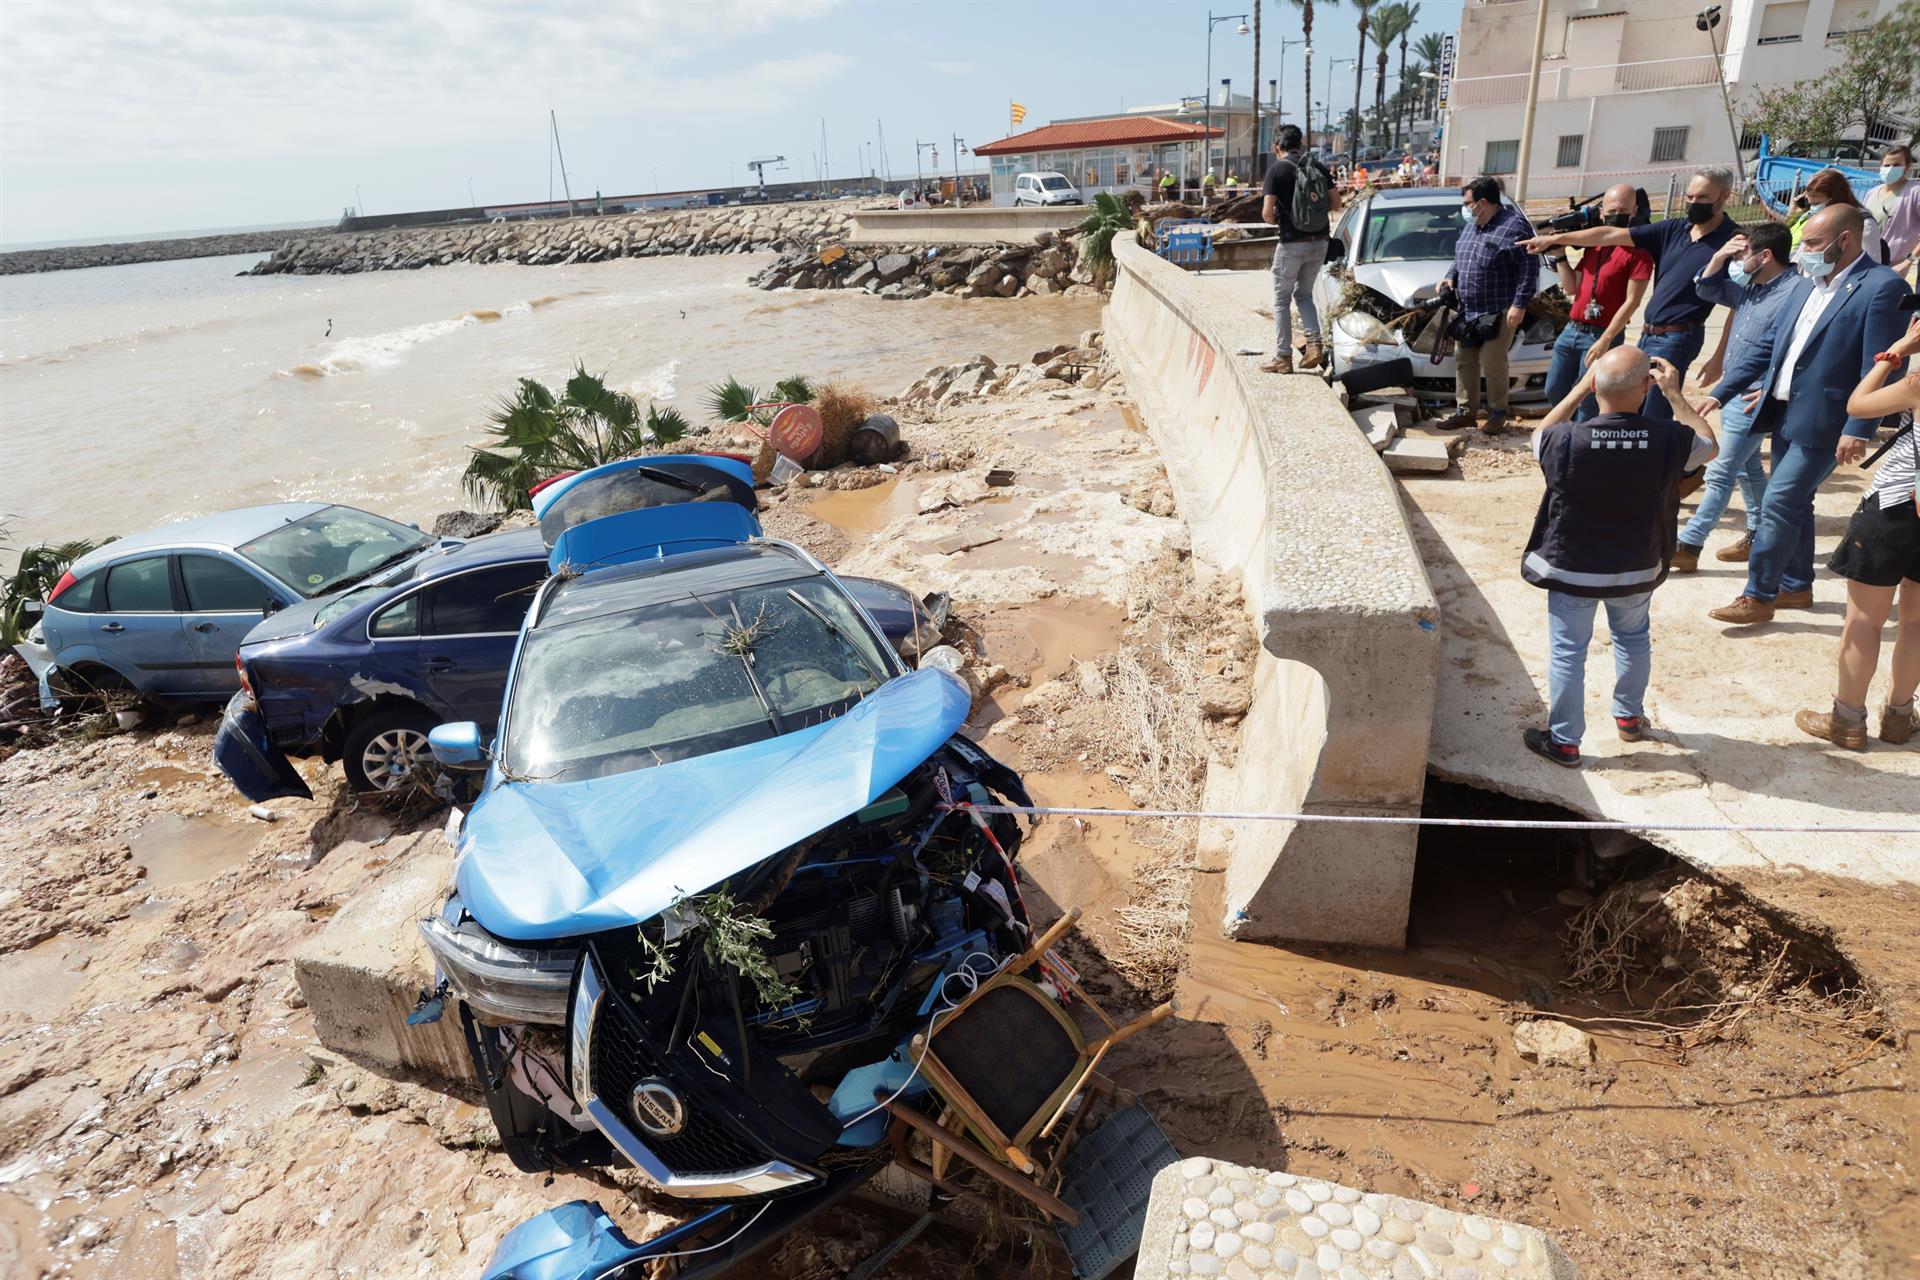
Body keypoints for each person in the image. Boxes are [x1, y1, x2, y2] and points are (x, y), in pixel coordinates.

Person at [1696, 205, 1914, 626]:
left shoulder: (1882, 287)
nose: (1803, 252)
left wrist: (1859, 427)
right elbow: (1771, 346)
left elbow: (1884, 364)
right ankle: (1796, 585)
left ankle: (1758, 595)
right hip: (1785, 412)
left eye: (1813, 244)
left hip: (1828, 420)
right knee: (1796, 502)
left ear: (1845, 240)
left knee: (1778, 500)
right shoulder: (1804, 286)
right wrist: (1723, 391)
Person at [1520, 346, 1719, 767]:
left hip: (1572, 569)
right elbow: (1709, 445)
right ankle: (1629, 718)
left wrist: (1578, 389)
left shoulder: (1564, 439)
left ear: (1595, 386)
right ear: (1647, 387)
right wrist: (1675, 395)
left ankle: (1565, 742)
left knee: (1568, 652)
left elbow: (1537, 436)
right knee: (1632, 638)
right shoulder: (1669, 438)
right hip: (1636, 567)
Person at [1523, 165, 1740, 420]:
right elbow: (1609, 234)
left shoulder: (1733, 241)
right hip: (1648, 334)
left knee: (1653, 415)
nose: (1693, 203)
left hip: (1678, 338)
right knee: (1633, 408)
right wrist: (1553, 240)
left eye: (1702, 197)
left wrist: (1719, 357)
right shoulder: (1673, 229)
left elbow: (1739, 305)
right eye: (1689, 196)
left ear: (1724, 197)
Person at [1795, 313, 1920, 749]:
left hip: (1893, 507)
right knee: (1916, 621)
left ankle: (1847, 720)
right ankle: (1899, 716)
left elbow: (1858, 405)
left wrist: (1896, 352)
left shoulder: (1916, 383)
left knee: (1864, 620)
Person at [1672, 223, 1800, 571]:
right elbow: (1707, 289)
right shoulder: (1752, 286)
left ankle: (1689, 544)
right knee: (1747, 468)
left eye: (1742, 255)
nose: (1737, 262)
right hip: (1735, 391)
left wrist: (1772, 386)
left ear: (1765, 256)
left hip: (1755, 396)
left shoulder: (1795, 292)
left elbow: (1796, 347)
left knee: (1721, 469)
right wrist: (1717, 258)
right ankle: (1758, 534)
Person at [1540, 183, 1654, 421]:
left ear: (1634, 211)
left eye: (1623, 210)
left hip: (1601, 332)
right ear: (1601, 213)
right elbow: (1572, 287)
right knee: (1554, 389)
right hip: (1573, 329)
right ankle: (1569, 430)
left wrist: (1606, 340)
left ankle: (1582, 437)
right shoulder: (1594, 245)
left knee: (1590, 398)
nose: (1616, 215)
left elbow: (1632, 302)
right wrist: (1560, 256)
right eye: (1611, 211)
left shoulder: (1639, 252)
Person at [1439, 175, 1537, 434]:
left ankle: (1497, 413)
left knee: (1493, 362)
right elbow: (1460, 257)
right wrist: (1450, 276)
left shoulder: (1514, 227)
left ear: (1482, 203)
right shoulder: (1472, 225)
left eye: (1467, 203)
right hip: (1468, 310)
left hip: (1498, 309)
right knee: (1464, 360)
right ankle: (1465, 412)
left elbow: (1528, 269)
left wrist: (1519, 304)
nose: (1464, 208)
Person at [1259, 124, 1338, 375]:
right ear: (1300, 145)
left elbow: (1267, 214)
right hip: (1320, 241)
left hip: (1291, 244)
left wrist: (1285, 218)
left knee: (1281, 300)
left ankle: (1283, 357)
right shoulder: (1318, 167)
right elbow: (1337, 203)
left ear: (1276, 147)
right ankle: (1314, 343)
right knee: (1304, 295)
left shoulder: (1276, 170)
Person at [1775, 167, 1884, 262]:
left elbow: (1871, 261)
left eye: (1816, 204)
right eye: (1810, 204)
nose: (1813, 208)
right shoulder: (1815, 217)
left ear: (1835, 198)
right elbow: (1801, 255)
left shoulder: (1864, 224)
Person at [1868, 145, 1920, 282]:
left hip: (1893, 268)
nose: (1890, 169)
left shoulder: (1915, 192)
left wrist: (1908, 261)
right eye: (1886, 165)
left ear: (1907, 167)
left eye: (1896, 165)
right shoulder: (1872, 193)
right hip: (1867, 262)